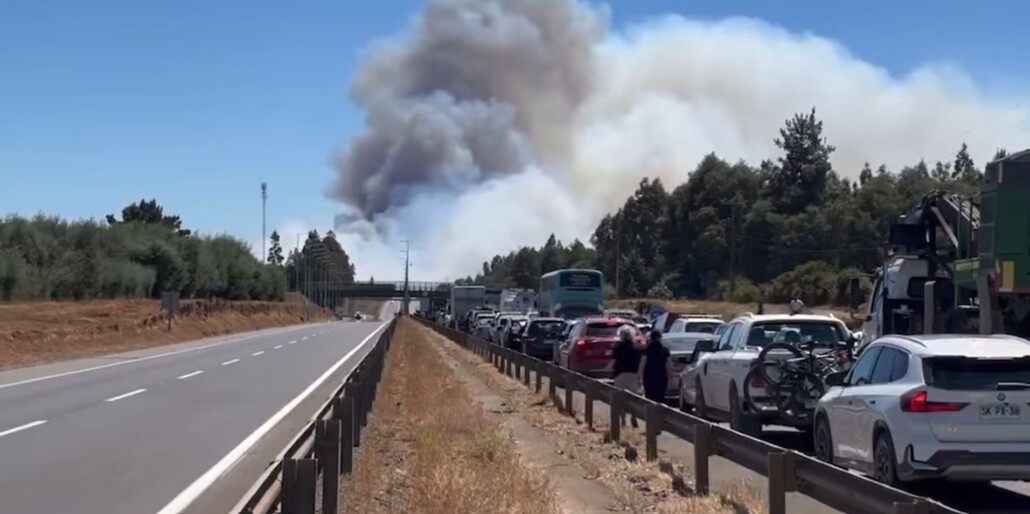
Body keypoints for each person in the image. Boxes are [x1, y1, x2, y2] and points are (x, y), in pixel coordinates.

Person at [606, 324, 641, 427]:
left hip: (620, 375)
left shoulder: (617, 347)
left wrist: (606, 369)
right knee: (633, 398)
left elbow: (613, 361)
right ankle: (634, 416)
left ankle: (623, 420)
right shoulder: (636, 347)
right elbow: (640, 363)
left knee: (621, 399)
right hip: (633, 375)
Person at [638, 329, 674, 403]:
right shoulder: (665, 350)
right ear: (660, 338)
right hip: (661, 377)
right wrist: (670, 376)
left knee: (649, 398)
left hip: (648, 378)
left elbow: (642, 364)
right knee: (660, 398)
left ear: (651, 338)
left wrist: (639, 376)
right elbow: (668, 364)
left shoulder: (647, 350)